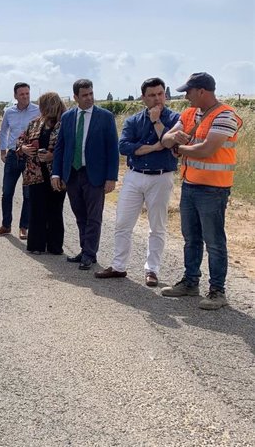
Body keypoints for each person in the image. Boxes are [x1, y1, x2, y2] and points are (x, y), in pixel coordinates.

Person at [159, 72, 242, 310]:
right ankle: (190, 282)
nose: (185, 97)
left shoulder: (226, 115)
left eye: (188, 91)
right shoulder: (189, 114)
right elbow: (165, 139)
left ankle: (217, 291)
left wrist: (179, 146)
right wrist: (174, 138)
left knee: (214, 241)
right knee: (191, 238)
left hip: (214, 188)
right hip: (191, 184)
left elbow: (207, 149)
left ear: (202, 91)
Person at [94, 77, 180, 285]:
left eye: (160, 94)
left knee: (157, 226)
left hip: (161, 176)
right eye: (152, 95)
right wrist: (153, 147)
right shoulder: (133, 121)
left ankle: (152, 270)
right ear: (144, 97)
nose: (157, 98)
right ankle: (118, 266)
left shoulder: (176, 118)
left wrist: (156, 121)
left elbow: (170, 143)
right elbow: (123, 147)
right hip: (134, 175)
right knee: (123, 223)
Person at [51, 79, 119, 270]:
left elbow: (113, 149)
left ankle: (90, 253)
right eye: (84, 95)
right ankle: (85, 249)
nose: (89, 98)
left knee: (94, 216)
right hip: (72, 174)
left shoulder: (105, 117)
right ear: (75, 97)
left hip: (94, 175)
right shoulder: (67, 117)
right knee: (80, 214)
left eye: (91, 93)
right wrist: (56, 173)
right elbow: (60, 147)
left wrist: (111, 177)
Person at [17, 92, 67, 255]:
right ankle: (36, 245)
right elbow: (20, 141)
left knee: (55, 209)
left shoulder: (65, 123)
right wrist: (23, 148)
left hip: (56, 174)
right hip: (35, 174)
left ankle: (54, 246)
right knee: (37, 209)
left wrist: (52, 156)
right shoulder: (35, 123)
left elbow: (70, 148)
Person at [0, 82, 40, 240]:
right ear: (15, 96)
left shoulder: (37, 110)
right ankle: (6, 225)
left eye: (27, 93)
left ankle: (24, 227)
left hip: (30, 157)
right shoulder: (9, 112)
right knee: (7, 193)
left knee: (28, 195)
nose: (25, 96)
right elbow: (3, 131)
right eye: (22, 94)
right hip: (13, 155)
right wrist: (3, 151)